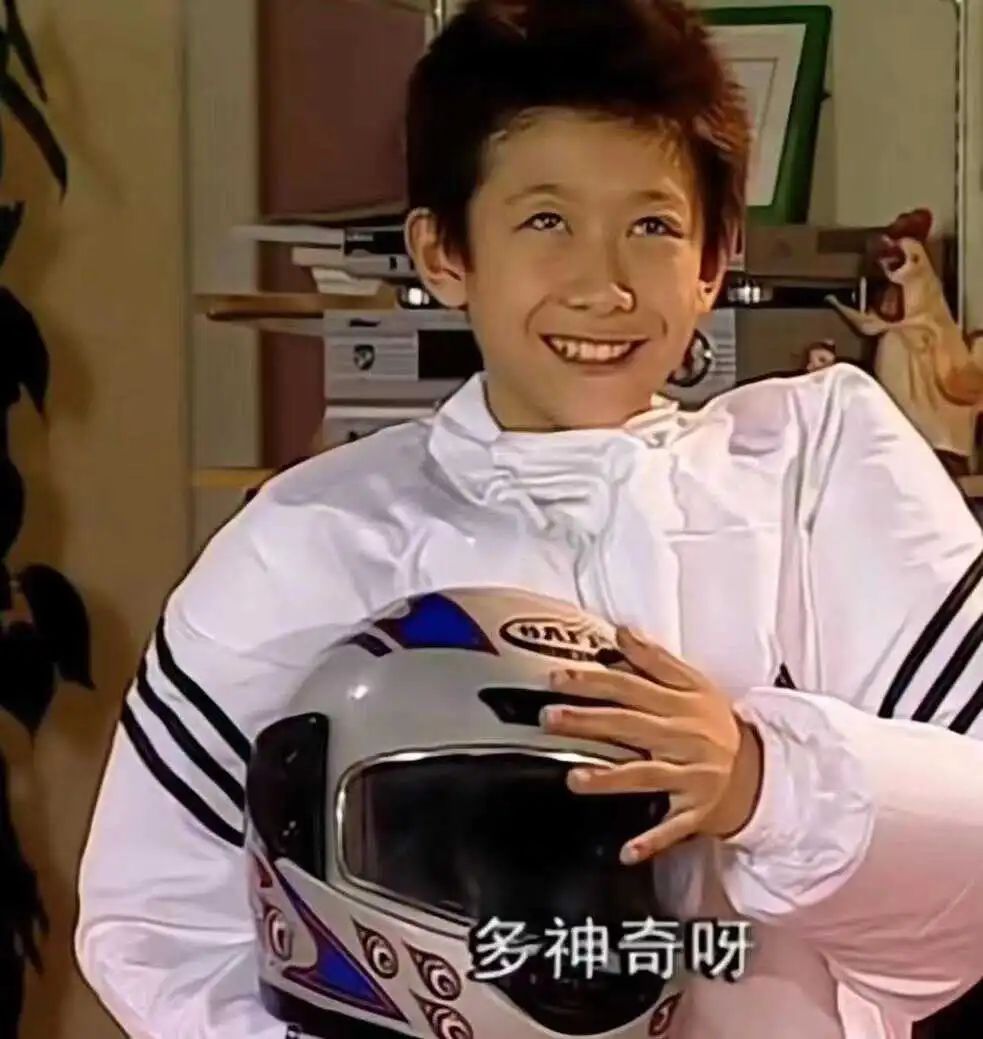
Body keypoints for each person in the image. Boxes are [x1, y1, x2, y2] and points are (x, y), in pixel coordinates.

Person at [76, 1, 983, 1037]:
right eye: (546, 221)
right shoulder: (310, 540)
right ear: (443, 252)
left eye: (652, 226)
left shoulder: (817, 475)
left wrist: (760, 781)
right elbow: (159, 926)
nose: (603, 286)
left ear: (714, 258)